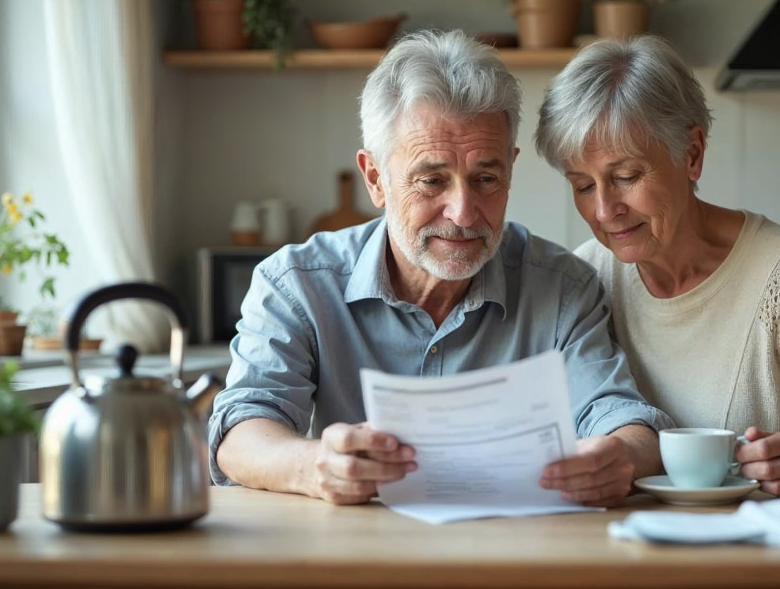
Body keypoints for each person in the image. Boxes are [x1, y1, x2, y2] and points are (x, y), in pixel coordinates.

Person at [209, 30, 672, 507]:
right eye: (431, 181)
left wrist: (620, 456)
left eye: (485, 178)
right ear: (375, 178)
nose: (464, 213)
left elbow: (617, 415)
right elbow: (241, 428)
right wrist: (313, 466)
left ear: (510, 169)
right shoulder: (296, 283)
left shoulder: (563, 287)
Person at [534, 37, 780, 496]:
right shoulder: (586, 277)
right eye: (583, 185)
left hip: (762, 539)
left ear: (692, 153)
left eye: (626, 177)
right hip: (628, 541)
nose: (604, 210)